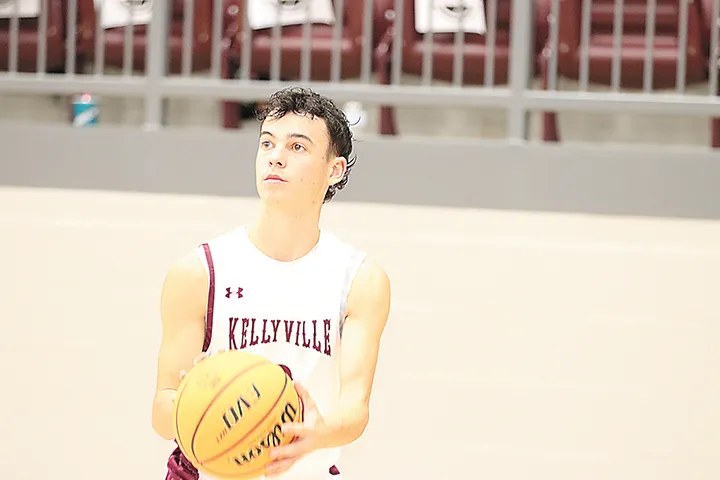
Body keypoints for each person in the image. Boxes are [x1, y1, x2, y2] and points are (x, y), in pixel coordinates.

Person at [151, 86, 392, 480]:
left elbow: (355, 409)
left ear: (335, 169)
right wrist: (195, 402)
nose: (276, 156)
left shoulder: (360, 279)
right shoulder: (200, 271)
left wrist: (320, 433)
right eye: (267, 143)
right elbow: (161, 410)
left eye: (297, 147)